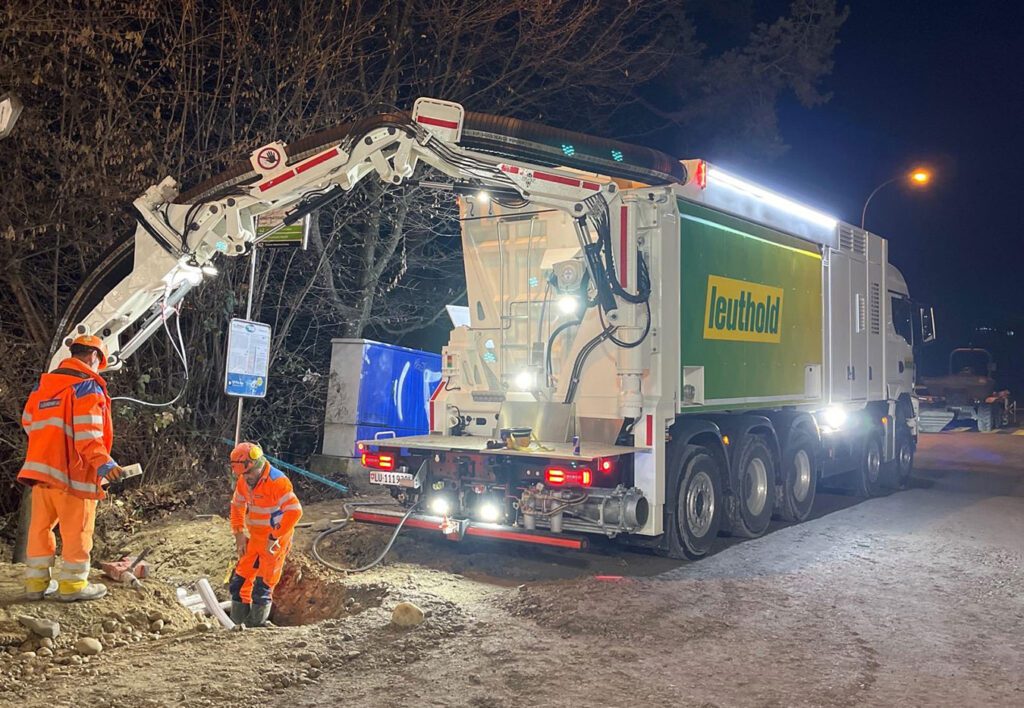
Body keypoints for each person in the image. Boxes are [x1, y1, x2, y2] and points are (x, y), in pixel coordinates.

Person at [18, 335, 124, 602]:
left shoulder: (42, 387)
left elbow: (29, 422)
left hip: (41, 473)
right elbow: (88, 434)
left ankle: (36, 583)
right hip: (73, 474)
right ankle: (73, 586)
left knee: (40, 528)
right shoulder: (86, 387)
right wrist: (104, 464)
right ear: (94, 357)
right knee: (77, 529)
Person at [228, 442, 302, 627]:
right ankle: (237, 626)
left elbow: (295, 511)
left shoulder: (278, 482)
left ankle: (255, 628)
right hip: (255, 538)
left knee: (262, 587)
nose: (245, 479)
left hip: (274, 541)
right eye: (242, 475)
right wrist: (238, 533)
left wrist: (274, 537)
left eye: (248, 474)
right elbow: (237, 505)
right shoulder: (244, 481)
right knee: (239, 583)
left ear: (256, 465)